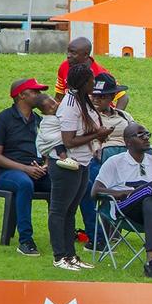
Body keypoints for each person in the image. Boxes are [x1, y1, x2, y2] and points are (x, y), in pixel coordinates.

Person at [92, 123, 152, 279]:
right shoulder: (114, 162)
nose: (146, 138)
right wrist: (119, 193)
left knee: (150, 202)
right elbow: (95, 192)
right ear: (128, 141)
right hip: (124, 209)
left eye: (147, 134)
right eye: (140, 135)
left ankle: (150, 263)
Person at [49, 63, 111, 272]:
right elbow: (68, 141)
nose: (94, 82)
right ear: (84, 83)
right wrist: (97, 135)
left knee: (70, 210)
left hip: (82, 163)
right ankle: (59, 257)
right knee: (59, 211)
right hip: (67, 165)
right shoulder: (69, 106)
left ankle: (70, 255)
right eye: (92, 80)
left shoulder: (83, 101)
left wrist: (99, 133)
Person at [0, 78, 51, 256]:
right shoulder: (3, 119)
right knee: (24, 184)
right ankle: (26, 240)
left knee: (61, 183)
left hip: (37, 171)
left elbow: (48, 151)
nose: (39, 95)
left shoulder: (39, 120)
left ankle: (62, 235)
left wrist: (45, 166)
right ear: (21, 95)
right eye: (35, 92)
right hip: (9, 173)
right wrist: (25, 169)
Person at [80, 73, 135, 246]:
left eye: (102, 96)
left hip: (127, 160)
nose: (96, 99)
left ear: (112, 97)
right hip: (98, 159)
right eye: (94, 95)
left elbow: (138, 135)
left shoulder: (124, 117)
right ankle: (99, 234)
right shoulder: (86, 116)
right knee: (92, 183)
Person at [53, 38, 129, 110]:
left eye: (73, 53)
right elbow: (59, 95)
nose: (68, 56)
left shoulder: (101, 74)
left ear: (86, 55)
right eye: (68, 52)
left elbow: (123, 97)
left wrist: (115, 117)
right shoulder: (64, 66)